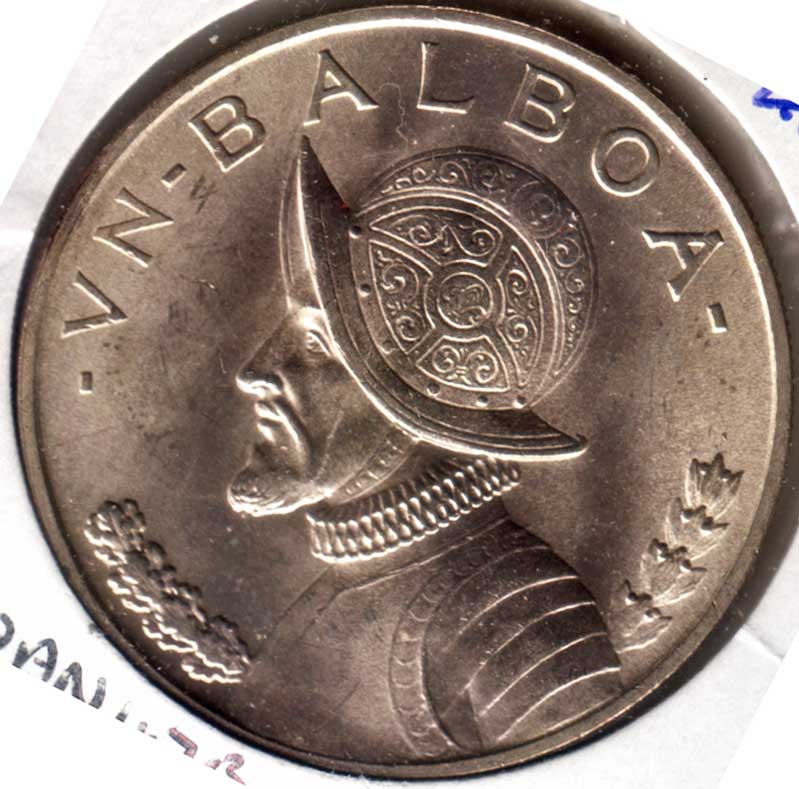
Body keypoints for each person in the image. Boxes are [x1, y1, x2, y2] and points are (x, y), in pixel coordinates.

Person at [227, 140, 621, 763]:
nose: (255, 373)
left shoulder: (525, 617)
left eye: (316, 344)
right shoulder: (358, 581)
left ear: (415, 400)